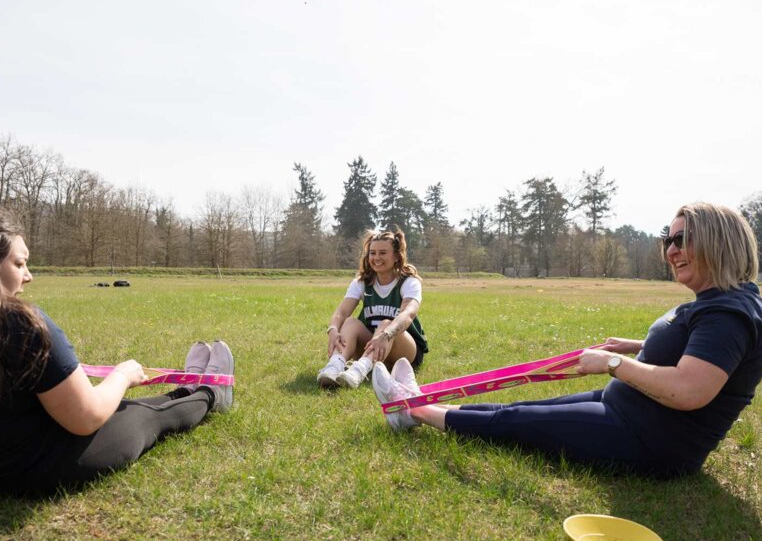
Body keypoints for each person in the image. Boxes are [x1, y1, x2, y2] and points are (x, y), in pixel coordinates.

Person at [373, 203, 762, 478]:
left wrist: (613, 365)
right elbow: (689, 353)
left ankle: (412, 411)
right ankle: (422, 401)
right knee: (521, 407)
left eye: (682, 238)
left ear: (718, 241)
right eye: (668, 240)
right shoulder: (724, 302)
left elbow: (688, 390)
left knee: (520, 423)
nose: (671, 250)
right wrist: (633, 346)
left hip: (648, 440)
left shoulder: (727, 315)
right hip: (630, 409)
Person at [0, 204, 234, 495]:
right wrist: (122, 375)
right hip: (39, 466)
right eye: (20, 263)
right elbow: (87, 416)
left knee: (123, 407)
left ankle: (188, 386)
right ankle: (209, 392)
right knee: (143, 414)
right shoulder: (21, 325)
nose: (29, 276)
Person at [317, 228, 428, 389]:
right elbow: (341, 313)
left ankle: (358, 372)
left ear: (397, 256)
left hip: (403, 351)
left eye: (383, 253)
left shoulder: (409, 282)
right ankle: (334, 366)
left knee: (386, 324)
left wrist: (386, 334)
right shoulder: (362, 282)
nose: (376, 258)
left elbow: (408, 314)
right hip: (371, 346)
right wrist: (333, 329)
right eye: (372, 253)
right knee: (349, 322)